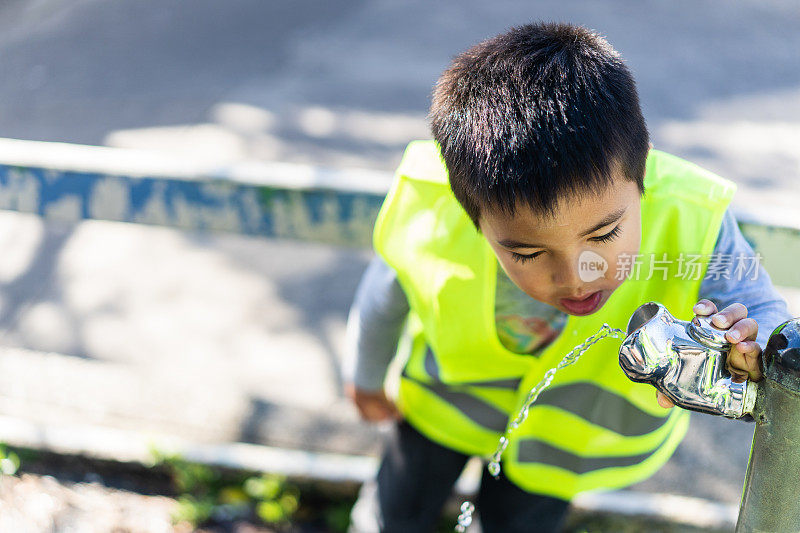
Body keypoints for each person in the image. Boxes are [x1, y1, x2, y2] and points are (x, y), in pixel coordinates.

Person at [342, 21, 792, 532]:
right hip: (441, 409)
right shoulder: (433, 208)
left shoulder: (692, 218)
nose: (578, 277)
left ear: (641, 175)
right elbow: (383, 296)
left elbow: (759, 307)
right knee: (393, 514)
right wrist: (364, 376)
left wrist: (750, 337)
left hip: (563, 452)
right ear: (476, 218)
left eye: (603, 236)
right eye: (528, 252)